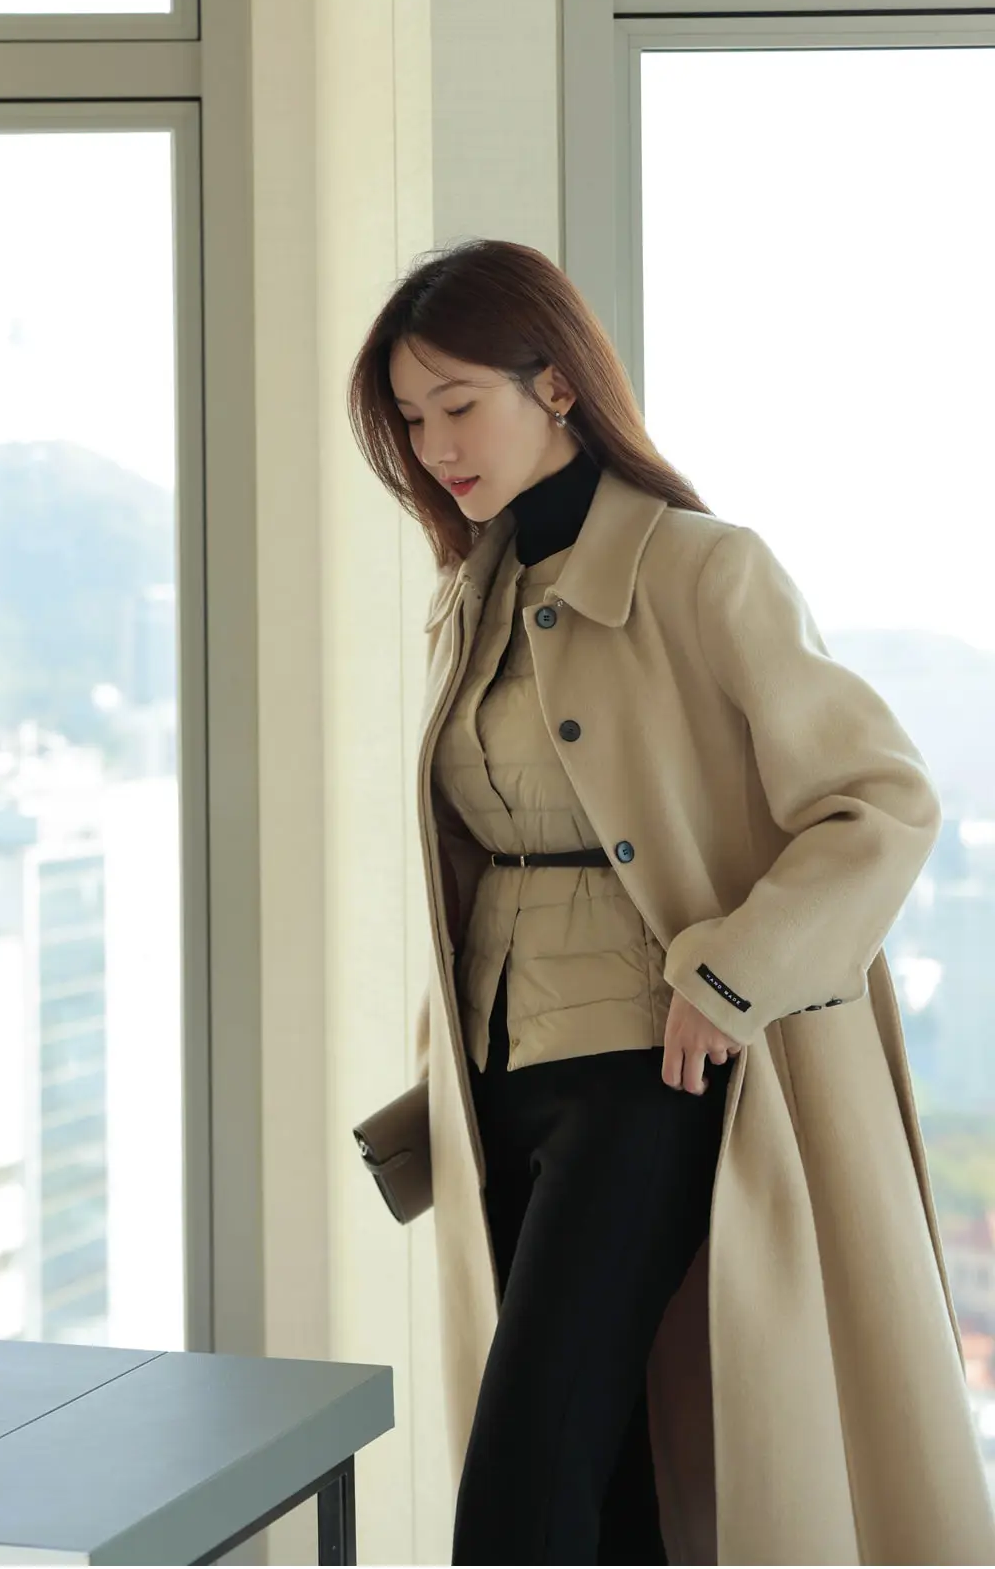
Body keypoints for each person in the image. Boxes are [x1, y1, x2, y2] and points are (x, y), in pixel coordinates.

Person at [347, 236, 995, 1567]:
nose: (435, 445)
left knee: (522, 1486)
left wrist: (732, 973)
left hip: (650, 1071)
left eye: (458, 404)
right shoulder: (472, 595)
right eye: (410, 419)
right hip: (506, 1078)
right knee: (611, 1484)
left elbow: (880, 801)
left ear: (559, 384)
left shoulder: (705, 569)